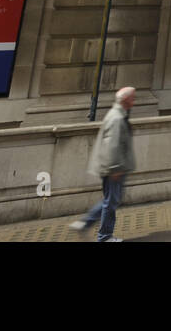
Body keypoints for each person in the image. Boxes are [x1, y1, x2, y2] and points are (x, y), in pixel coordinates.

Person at [69, 86, 137, 242]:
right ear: (126, 99)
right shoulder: (117, 118)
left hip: (115, 166)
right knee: (111, 202)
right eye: (133, 98)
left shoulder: (119, 115)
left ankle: (85, 224)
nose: (134, 101)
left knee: (111, 200)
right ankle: (104, 236)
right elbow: (112, 145)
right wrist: (114, 169)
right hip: (114, 168)